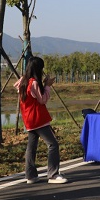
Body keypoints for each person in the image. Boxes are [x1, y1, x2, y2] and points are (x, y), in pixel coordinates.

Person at [14, 56, 68, 184]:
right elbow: (42, 99)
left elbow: (31, 96)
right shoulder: (33, 83)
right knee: (53, 144)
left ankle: (31, 175)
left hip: (28, 120)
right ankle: (53, 174)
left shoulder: (23, 81)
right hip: (38, 119)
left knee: (31, 147)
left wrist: (43, 85)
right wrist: (47, 86)